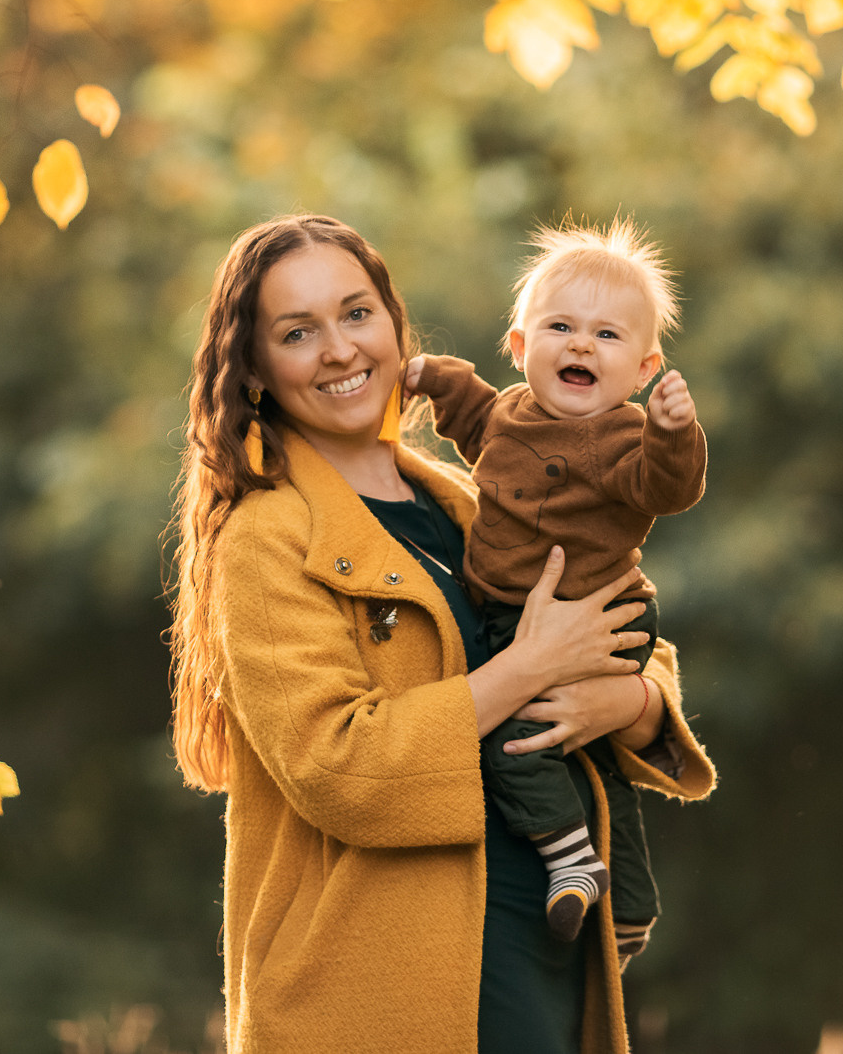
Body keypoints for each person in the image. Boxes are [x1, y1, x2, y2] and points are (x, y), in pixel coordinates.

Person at [167, 214, 716, 1054]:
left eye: (357, 314)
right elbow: (339, 765)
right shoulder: (267, 538)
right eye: (297, 331)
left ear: (393, 324)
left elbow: (616, 623)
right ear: (256, 369)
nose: (340, 349)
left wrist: (630, 700)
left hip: (541, 962)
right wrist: (531, 666)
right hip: (374, 1000)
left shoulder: (464, 501)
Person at [405, 219, 705, 954]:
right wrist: (432, 377)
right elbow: (472, 414)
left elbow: (665, 485)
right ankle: (630, 899)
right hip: (520, 619)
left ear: (641, 368)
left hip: (598, 616)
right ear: (520, 346)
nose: (579, 344)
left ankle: (570, 858)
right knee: (595, 754)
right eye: (561, 326)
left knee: (519, 738)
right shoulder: (510, 414)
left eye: (607, 336)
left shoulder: (623, 439)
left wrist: (672, 431)